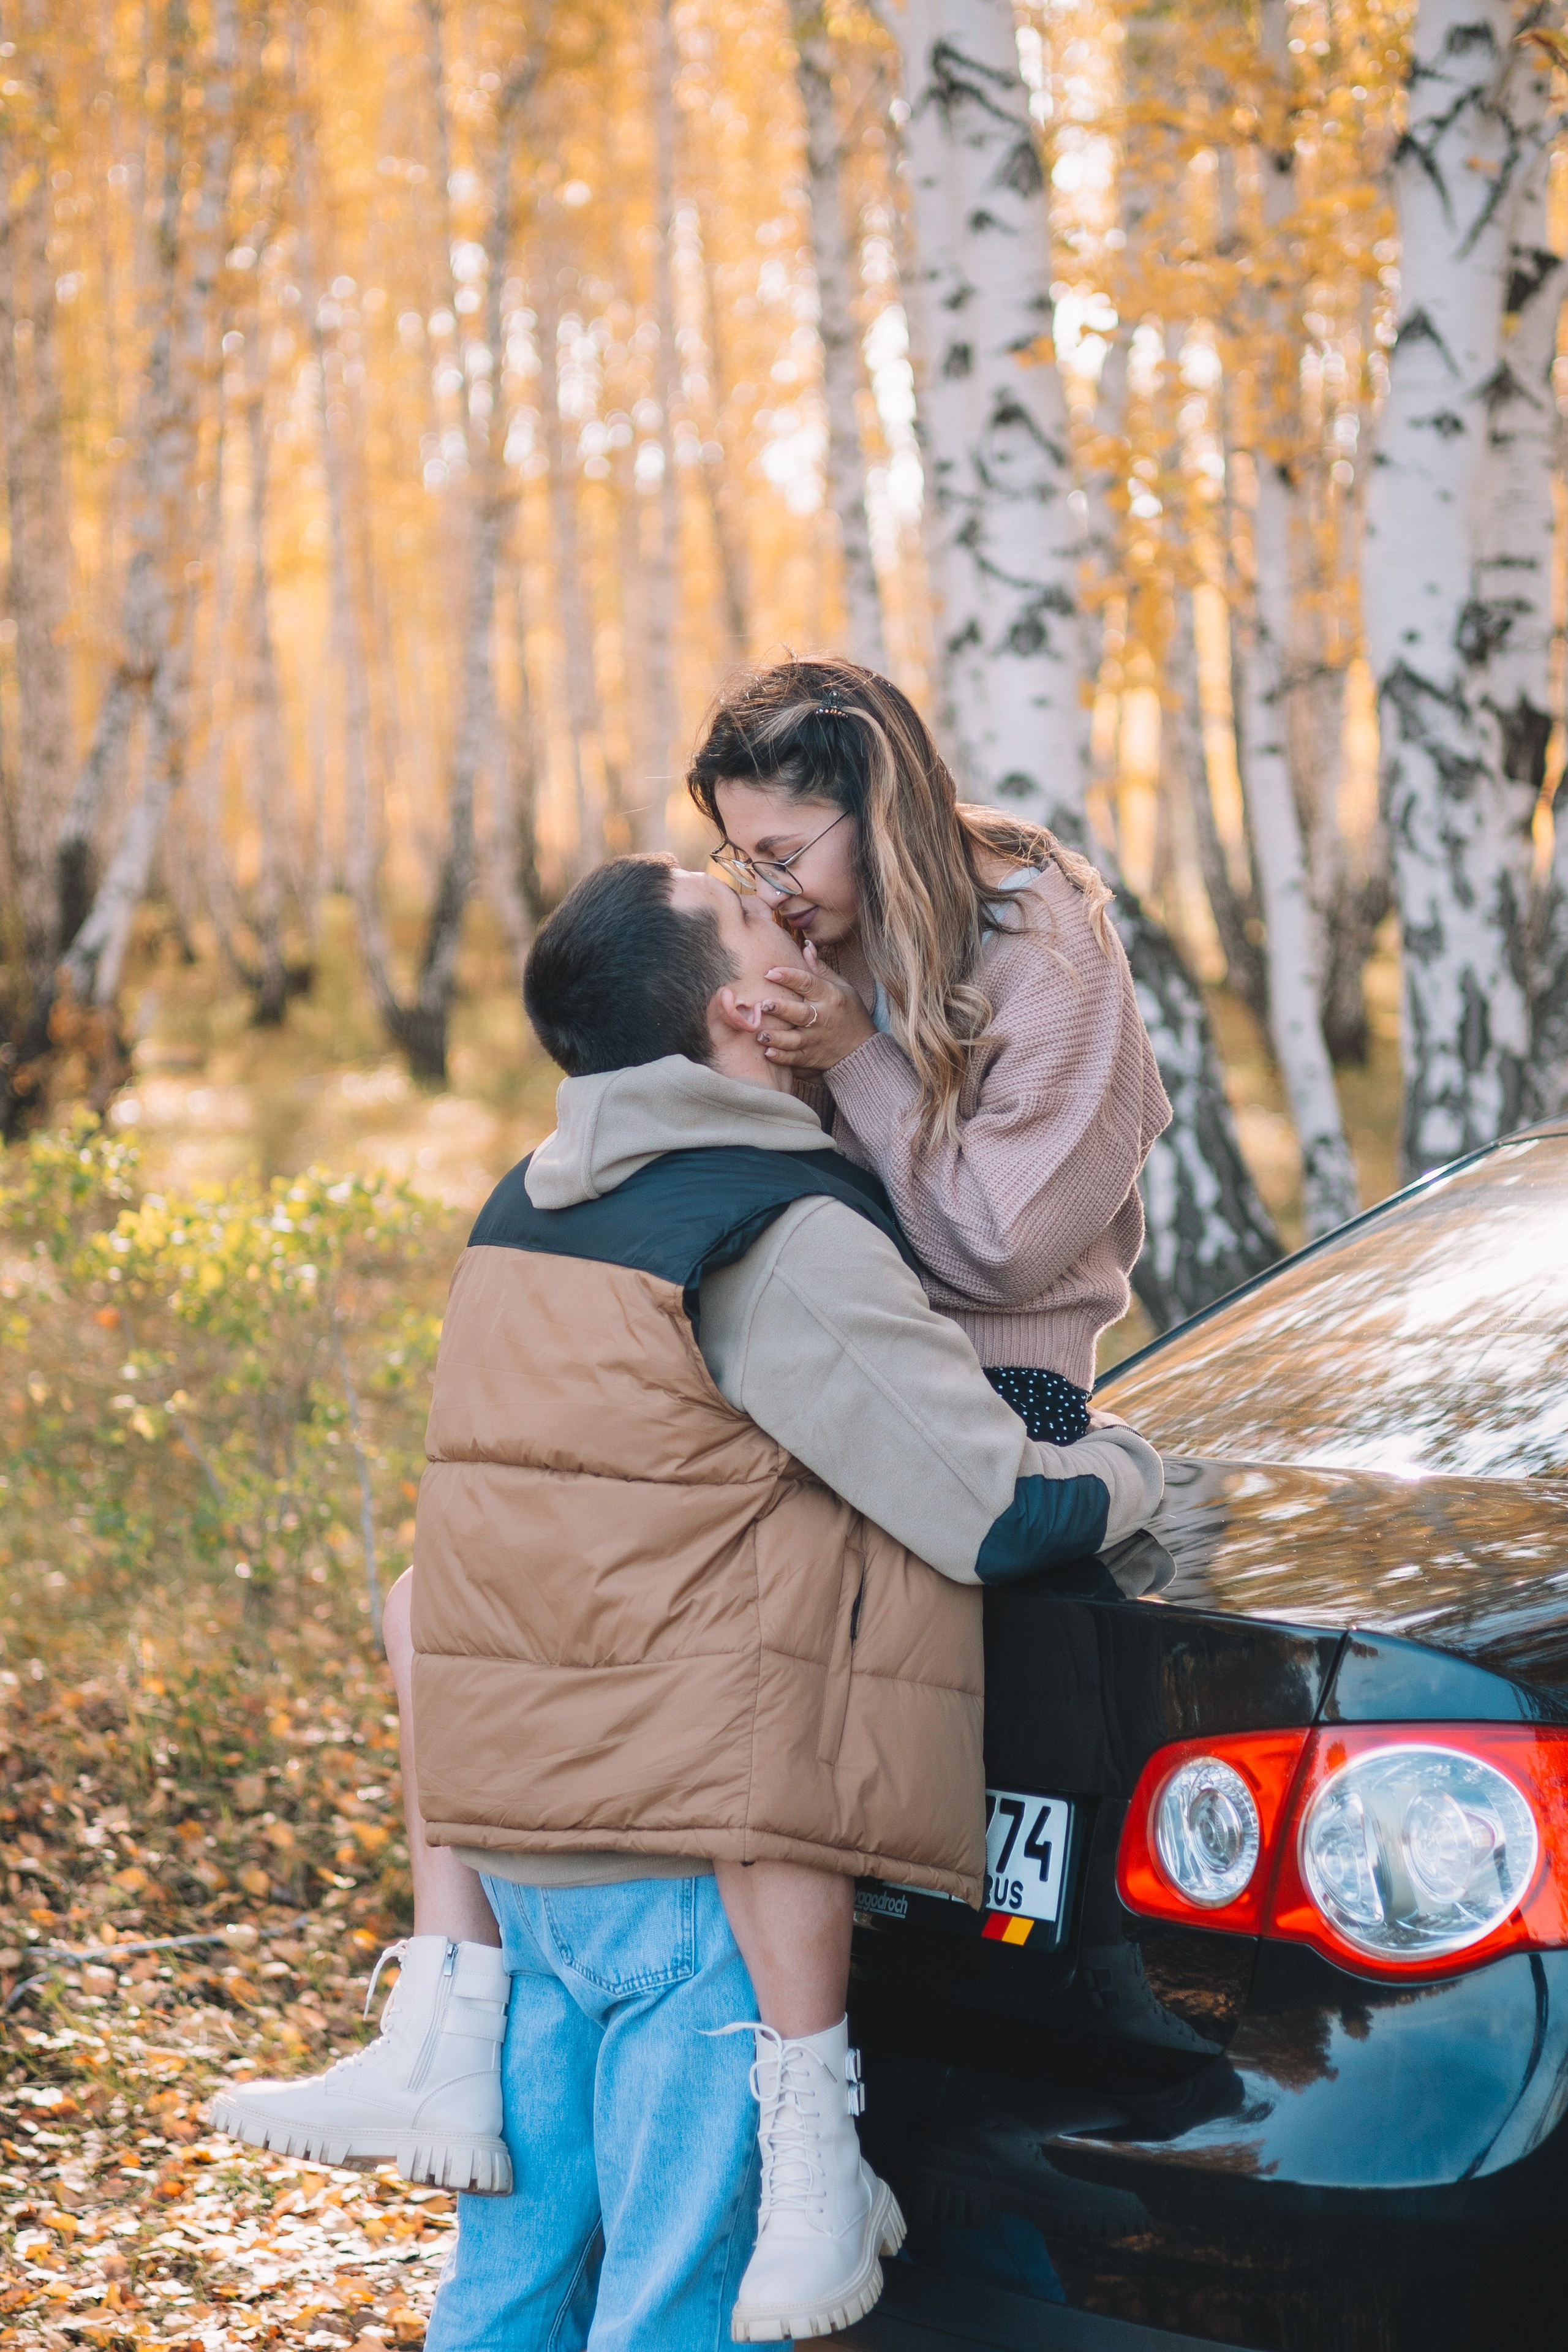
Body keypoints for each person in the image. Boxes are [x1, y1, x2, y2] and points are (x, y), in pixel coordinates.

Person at [212, 851, 1164, 2346]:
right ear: (738, 1004)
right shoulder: (774, 1235)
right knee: (673, 2309)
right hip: (687, 1869)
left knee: (513, 2292)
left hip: (514, 1855)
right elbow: (993, 1510)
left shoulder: (522, 1205)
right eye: (742, 906)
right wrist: (1124, 1467)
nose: (778, 903)